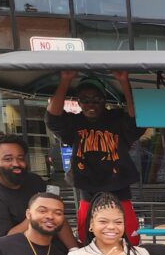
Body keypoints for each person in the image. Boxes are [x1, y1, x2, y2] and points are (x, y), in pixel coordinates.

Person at [46, 70, 146, 245]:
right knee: (86, 237)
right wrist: (65, 80)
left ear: (104, 100)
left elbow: (136, 120)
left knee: (131, 238)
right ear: (78, 102)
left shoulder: (117, 119)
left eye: (96, 99)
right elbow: (53, 118)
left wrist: (124, 81)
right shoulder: (75, 123)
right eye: (85, 100)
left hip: (119, 185)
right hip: (88, 189)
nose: (91, 104)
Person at [0, 133, 78, 251]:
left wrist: (74, 251)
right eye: (8, 159)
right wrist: (35, 216)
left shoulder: (33, 181)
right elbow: (2, 245)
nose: (16, 164)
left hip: (46, 248)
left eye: (20, 158)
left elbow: (58, 218)